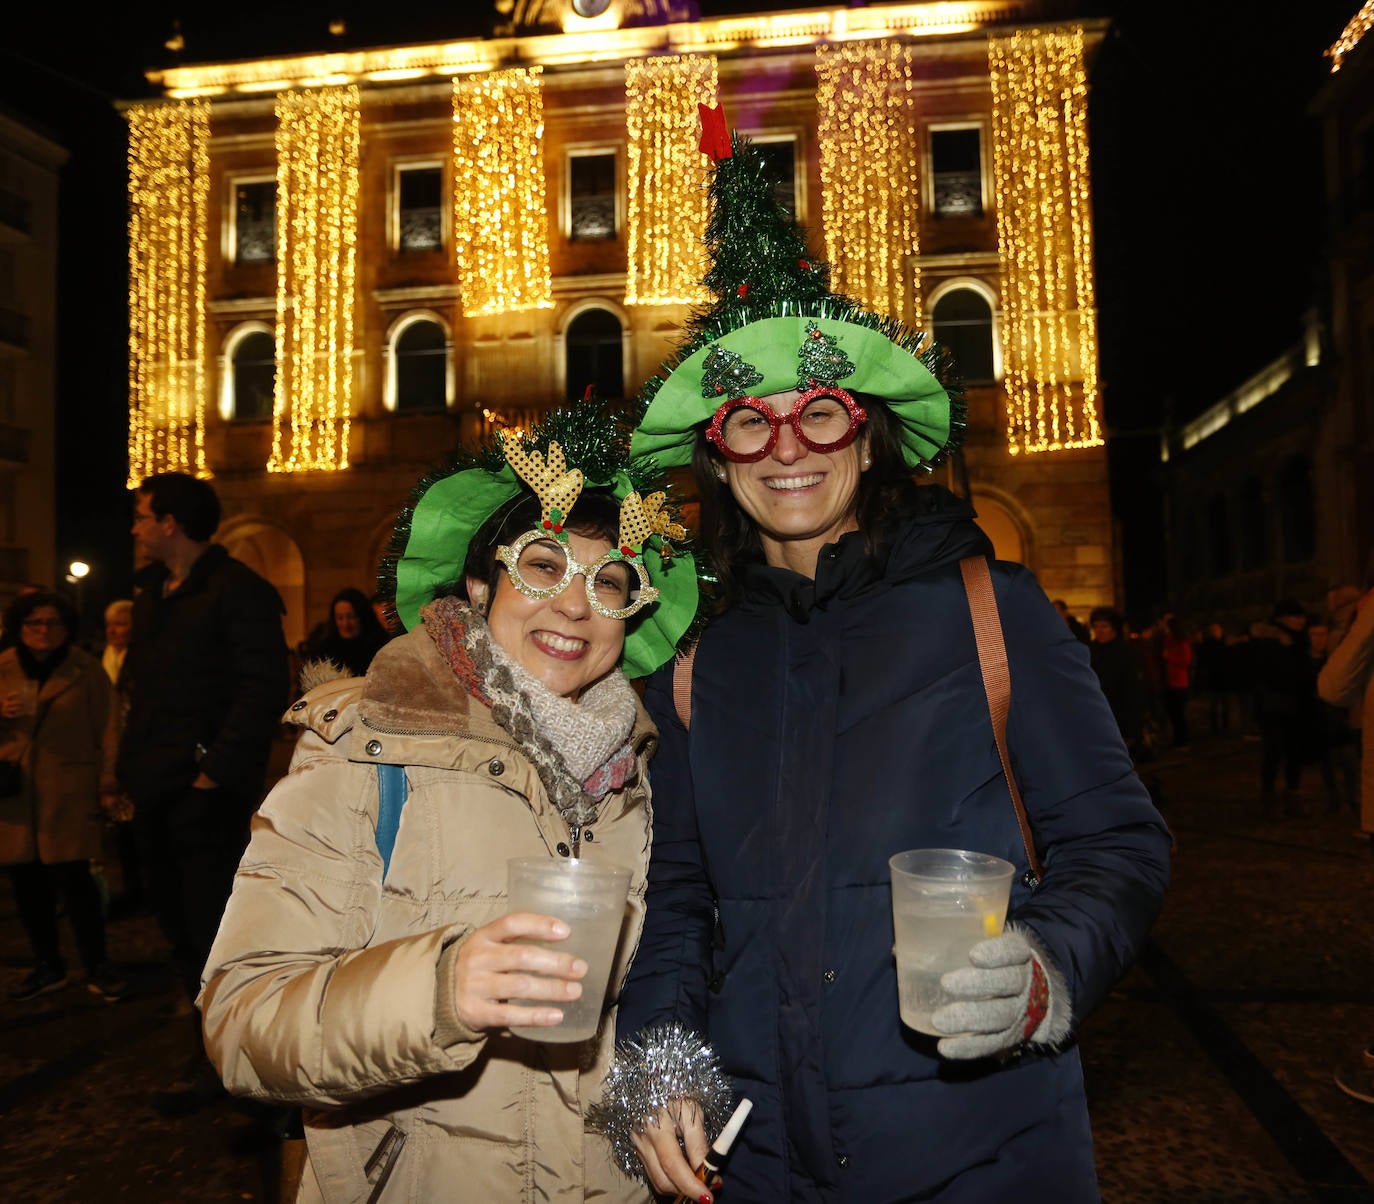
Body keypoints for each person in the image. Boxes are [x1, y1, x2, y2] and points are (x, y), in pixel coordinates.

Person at [596, 117, 1172, 1203]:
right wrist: (662, 1059)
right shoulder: (690, 661)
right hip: (760, 1166)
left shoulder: (990, 612)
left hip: (983, 1154)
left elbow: (1117, 842)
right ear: (716, 462)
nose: (789, 449)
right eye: (749, 425)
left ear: (866, 437)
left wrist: (1046, 969)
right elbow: (675, 895)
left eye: (819, 413)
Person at [199, 407, 700, 1202]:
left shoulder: (640, 778)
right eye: (542, 565)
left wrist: (664, 1086)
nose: (575, 606)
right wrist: (440, 989)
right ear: (478, 582)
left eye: (609, 582)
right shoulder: (365, 746)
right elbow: (241, 1021)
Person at [116, 473, 288, 1103]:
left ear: (170, 522)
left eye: (141, 515)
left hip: (205, 796)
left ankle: (233, 1068)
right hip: (156, 788)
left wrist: (212, 770)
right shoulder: (151, 595)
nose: (132, 527)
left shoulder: (238, 591)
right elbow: (144, 695)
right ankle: (207, 1054)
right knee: (179, 933)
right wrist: (127, 774)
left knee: (215, 931)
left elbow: (261, 687)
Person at [0, 591, 124, 1001]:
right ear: (19, 626)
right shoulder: (2, 668)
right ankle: (47, 964)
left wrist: (108, 784)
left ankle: (96, 964)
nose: (43, 631)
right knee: (27, 884)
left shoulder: (85, 670)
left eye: (52, 622)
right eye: (33, 622)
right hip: (16, 793)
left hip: (69, 792)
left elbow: (108, 730)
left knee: (77, 884)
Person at [1250, 599, 1311, 817]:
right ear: (1281, 618)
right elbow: (1263, 674)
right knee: (1274, 751)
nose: (1300, 621)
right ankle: (1268, 797)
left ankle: (1292, 796)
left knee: (1295, 752)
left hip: (1298, 705)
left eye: (1301, 617)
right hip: (1273, 706)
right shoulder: (1268, 640)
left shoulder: (1302, 640)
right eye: (1295, 616)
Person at [301, 586, 390, 677]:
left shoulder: (379, 647)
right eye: (340, 618)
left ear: (362, 617)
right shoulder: (323, 649)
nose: (345, 624)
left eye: (351, 617)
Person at [1161, 616, 1194, 748]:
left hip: (1179, 682)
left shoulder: (1182, 642)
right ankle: (1177, 739)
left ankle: (1183, 740)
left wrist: (1170, 657)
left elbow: (1186, 661)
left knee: (1179, 713)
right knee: (1173, 713)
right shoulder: (1169, 640)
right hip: (1169, 681)